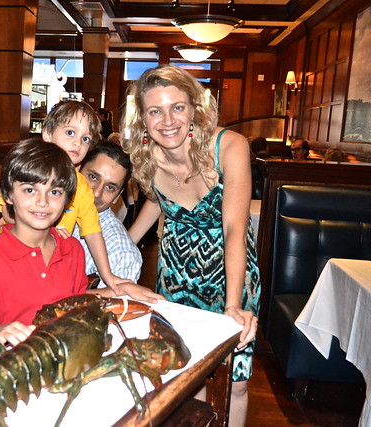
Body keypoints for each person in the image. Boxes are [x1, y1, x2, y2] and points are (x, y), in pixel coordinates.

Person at [122, 65, 260, 427]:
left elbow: (234, 228)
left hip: (231, 269)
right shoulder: (145, 155)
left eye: (177, 107)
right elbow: (159, 200)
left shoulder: (229, 146)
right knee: (188, 375)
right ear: (143, 119)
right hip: (177, 275)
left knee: (237, 381)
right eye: (155, 111)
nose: (168, 120)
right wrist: (125, 248)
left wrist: (233, 305)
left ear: (194, 109)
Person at [0, 140, 157, 357]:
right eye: (30, 190)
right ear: (8, 194)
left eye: (55, 192)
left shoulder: (72, 249)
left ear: (69, 198)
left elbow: (68, 301)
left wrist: (119, 291)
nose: (43, 201)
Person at [0, 100, 133, 296]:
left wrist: (108, 276)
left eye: (85, 139)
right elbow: (8, 214)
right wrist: (49, 231)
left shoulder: (82, 187)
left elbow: (93, 232)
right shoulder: (25, 168)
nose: (78, 142)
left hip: (45, 264)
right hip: (9, 258)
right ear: (47, 134)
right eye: (70, 133)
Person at [73, 142, 143, 289]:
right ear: (77, 172)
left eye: (110, 187)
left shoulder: (121, 253)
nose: (96, 193)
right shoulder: (44, 212)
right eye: (93, 177)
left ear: (117, 196)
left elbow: (111, 307)